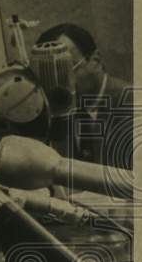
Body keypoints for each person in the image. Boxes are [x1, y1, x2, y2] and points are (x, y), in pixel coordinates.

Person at [35, 23, 133, 170]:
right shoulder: (63, 110)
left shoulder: (132, 103)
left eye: (66, 69)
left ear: (95, 60)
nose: (59, 85)